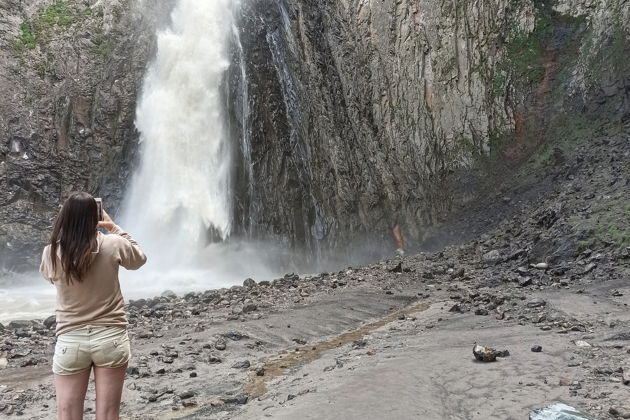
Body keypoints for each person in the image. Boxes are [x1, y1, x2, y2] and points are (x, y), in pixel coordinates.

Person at [40, 192, 147, 420]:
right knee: (108, 414)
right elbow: (139, 259)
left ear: (64, 216)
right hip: (111, 338)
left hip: (70, 340)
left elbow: (50, 278)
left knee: (67, 414)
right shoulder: (113, 244)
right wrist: (114, 227)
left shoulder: (51, 252)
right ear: (96, 216)